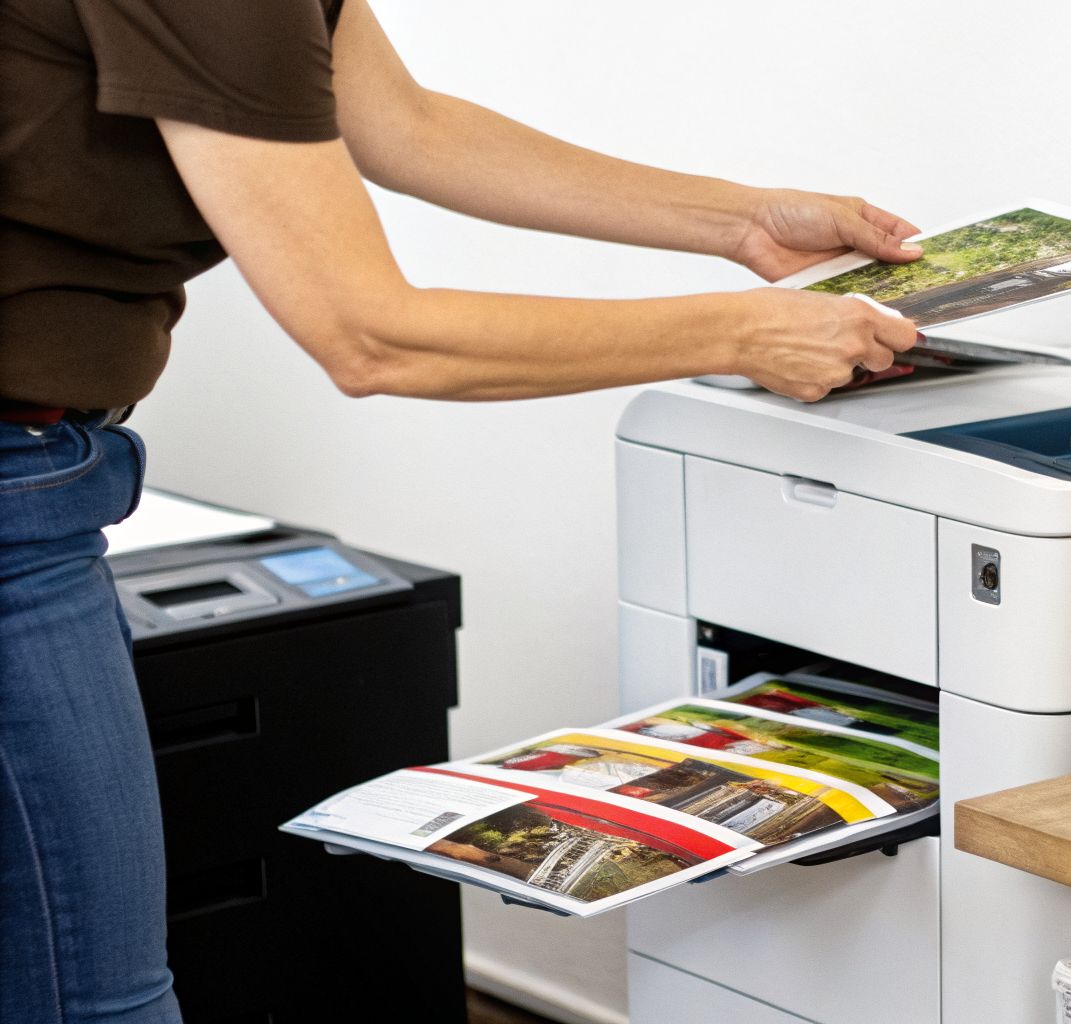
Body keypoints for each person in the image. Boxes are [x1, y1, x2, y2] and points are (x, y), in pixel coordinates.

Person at [0, 0, 925, 1019]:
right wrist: (744, 335)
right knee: (92, 991)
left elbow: (406, 124)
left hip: (48, 468)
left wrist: (743, 222)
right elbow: (370, 335)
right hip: (16, 486)